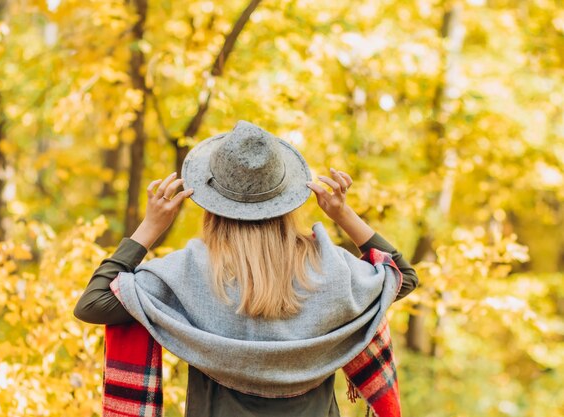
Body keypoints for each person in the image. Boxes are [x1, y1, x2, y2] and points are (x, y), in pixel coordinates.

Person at [74, 120, 418, 417]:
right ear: (286, 198)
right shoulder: (330, 269)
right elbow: (400, 277)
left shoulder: (189, 274)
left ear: (213, 204)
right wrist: (344, 215)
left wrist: (150, 227)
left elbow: (93, 304)